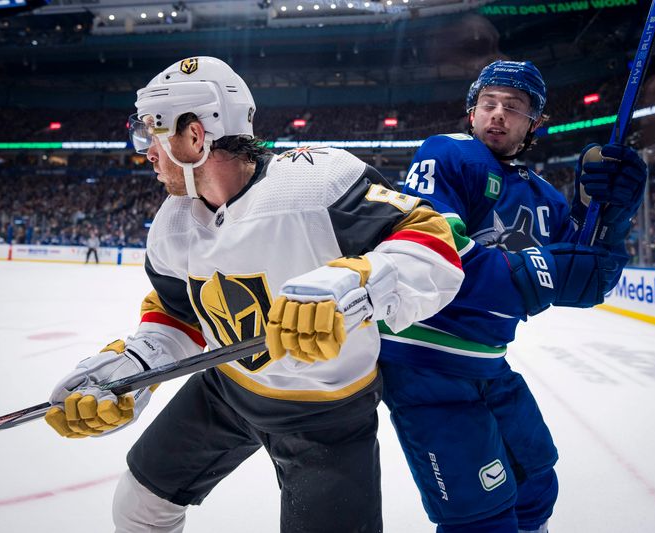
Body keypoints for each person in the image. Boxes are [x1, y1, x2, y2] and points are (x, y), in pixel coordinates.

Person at [43, 56, 463, 533]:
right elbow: (180, 315)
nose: (146, 152)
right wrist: (134, 368)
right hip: (225, 390)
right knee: (139, 504)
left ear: (194, 136)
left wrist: (358, 283)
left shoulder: (315, 182)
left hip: (327, 414)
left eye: (150, 135)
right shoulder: (172, 223)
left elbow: (432, 240)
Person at [378, 60, 647, 532]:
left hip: (487, 360)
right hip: (423, 361)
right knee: (479, 517)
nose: (497, 114)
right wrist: (536, 274)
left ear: (534, 122)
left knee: (534, 479)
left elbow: (589, 276)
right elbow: (434, 248)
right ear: (472, 112)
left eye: (513, 107)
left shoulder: (545, 196)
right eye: (488, 104)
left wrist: (609, 214)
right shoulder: (447, 154)